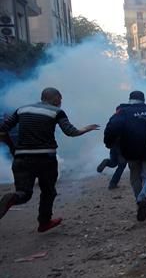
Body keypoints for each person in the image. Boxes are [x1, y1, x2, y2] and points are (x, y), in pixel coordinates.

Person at [0, 87, 100, 232]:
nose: (61, 102)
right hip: (45, 158)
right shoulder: (56, 112)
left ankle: (13, 197)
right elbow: (70, 132)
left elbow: (2, 130)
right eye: (60, 98)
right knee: (48, 191)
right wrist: (86, 129)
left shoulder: (21, 109)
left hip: (21, 158)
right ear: (54, 98)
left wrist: (12, 147)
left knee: (24, 193)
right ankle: (44, 222)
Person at [103, 91, 146, 221]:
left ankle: (140, 201)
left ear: (130, 99)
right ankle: (143, 197)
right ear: (143, 100)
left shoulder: (123, 112)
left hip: (131, 151)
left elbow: (112, 127)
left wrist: (109, 143)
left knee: (135, 178)